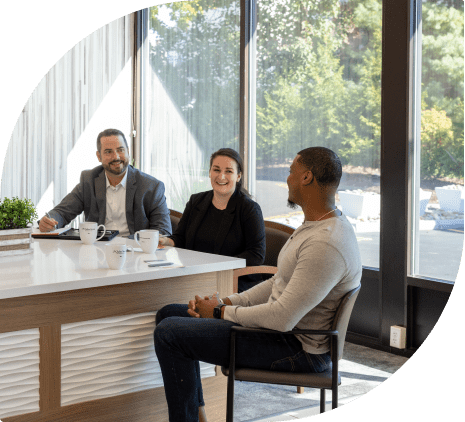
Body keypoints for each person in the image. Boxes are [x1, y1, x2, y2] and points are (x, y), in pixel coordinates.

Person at [154, 146, 362, 422]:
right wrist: (227, 302)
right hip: (283, 333)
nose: (287, 179)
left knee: (169, 332)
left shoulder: (325, 243)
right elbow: (277, 282)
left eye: (291, 171)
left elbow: (281, 317)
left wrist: (218, 313)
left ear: (307, 178)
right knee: (168, 314)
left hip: (297, 349)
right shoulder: (314, 226)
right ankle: (197, 415)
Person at [158, 148, 266, 293]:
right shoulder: (196, 201)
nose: (221, 176)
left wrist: (217, 266)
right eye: (216, 170)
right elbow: (180, 237)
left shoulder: (249, 209)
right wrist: (166, 241)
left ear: (238, 176)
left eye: (228, 171)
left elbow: (256, 255)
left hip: (230, 281)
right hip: (194, 276)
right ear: (209, 172)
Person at [38, 128, 171, 237]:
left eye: (120, 150)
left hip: (134, 253)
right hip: (96, 252)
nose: (116, 157)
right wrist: (50, 221)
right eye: (108, 152)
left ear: (128, 151)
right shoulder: (89, 180)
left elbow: (163, 231)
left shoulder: (151, 186)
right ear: (99, 156)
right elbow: (63, 212)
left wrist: (124, 243)